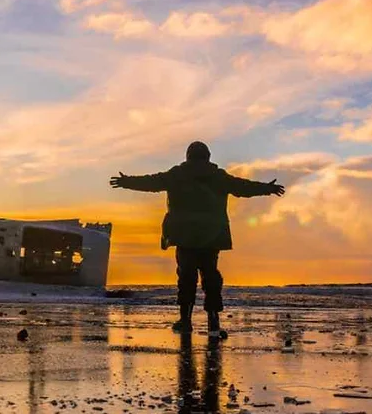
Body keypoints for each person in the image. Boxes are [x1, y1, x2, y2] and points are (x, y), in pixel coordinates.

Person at [109, 141, 284, 339]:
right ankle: (213, 321)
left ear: (188, 156)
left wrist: (127, 182)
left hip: (184, 235)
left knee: (186, 277)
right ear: (208, 157)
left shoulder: (177, 175)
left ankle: (185, 321)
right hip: (211, 235)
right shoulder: (218, 177)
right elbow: (242, 187)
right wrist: (268, 188)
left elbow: (152, 182)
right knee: (211, 276)